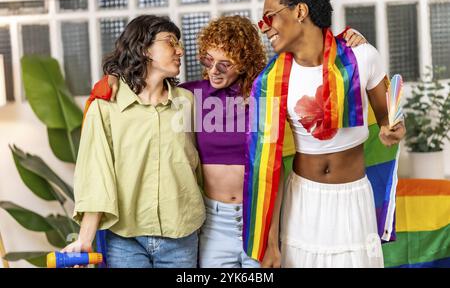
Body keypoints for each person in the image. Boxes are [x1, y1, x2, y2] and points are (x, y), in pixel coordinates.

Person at [94, 15, 367, 268]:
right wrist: (114, 79)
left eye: (224, 64)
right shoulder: (189, 96)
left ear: (245, 60)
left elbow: (275, 169)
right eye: (207, 60)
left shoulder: (266, 97)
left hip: (256, 221)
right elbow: (145, 87)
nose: (213, 70)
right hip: (213, 225)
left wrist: (348, 45)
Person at [245, 0, 406, 268]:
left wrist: (392, 130)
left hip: (353, 197)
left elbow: (389, 118)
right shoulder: (269, 82)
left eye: (270, 17)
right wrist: (270, 241)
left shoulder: (361, 58)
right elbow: (267, 166)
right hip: (302, 202)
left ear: (300, 11)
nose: (264, 28)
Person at [62, 15, 205, 268]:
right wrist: (85, 240)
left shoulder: (189, 103)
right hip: (125, 238)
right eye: (171, 42)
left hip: (182, 234)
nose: (180, 50)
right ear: (143, 48)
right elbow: (97, 174)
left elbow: (204, 165)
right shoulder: (105, 107)